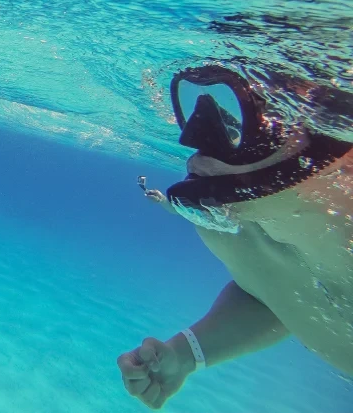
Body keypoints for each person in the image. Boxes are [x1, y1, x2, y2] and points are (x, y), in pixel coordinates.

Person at [117, 65, 353, 409]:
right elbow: (274, 294)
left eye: (243, 118)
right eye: (199, 107)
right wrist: (186, 354)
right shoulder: (234, 230)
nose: (195, 138)